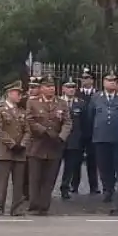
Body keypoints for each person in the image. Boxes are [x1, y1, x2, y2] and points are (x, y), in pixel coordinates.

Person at [24, 78, 69, 214]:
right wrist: (43, 130)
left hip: (54, 146)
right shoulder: (33, 102)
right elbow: (29, 120)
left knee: (49, 179)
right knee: (35, 178)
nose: (51, 89)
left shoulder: (62, 103)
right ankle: (34, 205)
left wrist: (61, 137)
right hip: (37, 145)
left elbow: (68, 122)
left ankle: (44, 206)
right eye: (48, 86)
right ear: (42, 88)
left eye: (52, 86)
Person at [0, 81, 30, 216]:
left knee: (19, 182)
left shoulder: (21, 111)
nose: (20, 96)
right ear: (9, 94)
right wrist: (11, 144)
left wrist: (23, 144)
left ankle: (16, 208)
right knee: (2, 181)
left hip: (20, 151)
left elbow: (28, 130)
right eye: (17, 93)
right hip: (5, 151)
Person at [90, 76, 118, 205]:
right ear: (103, 82)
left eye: (114, 81)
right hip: (101, 137)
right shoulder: (96, 97)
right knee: (104, 166)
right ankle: (107, 190)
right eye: (108, 81)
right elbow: (90, 116)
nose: (111, 83)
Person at [60, 79, 91, 199]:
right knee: (54, 166)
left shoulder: (81, 103)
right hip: (59, 139)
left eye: (73, 87)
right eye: (68, 87)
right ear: (63, 89)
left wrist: (82, 140)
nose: (71, 89)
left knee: (70, 166)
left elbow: (85, 123)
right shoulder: (57, 102)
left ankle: (65, 187)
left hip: (74, 140)